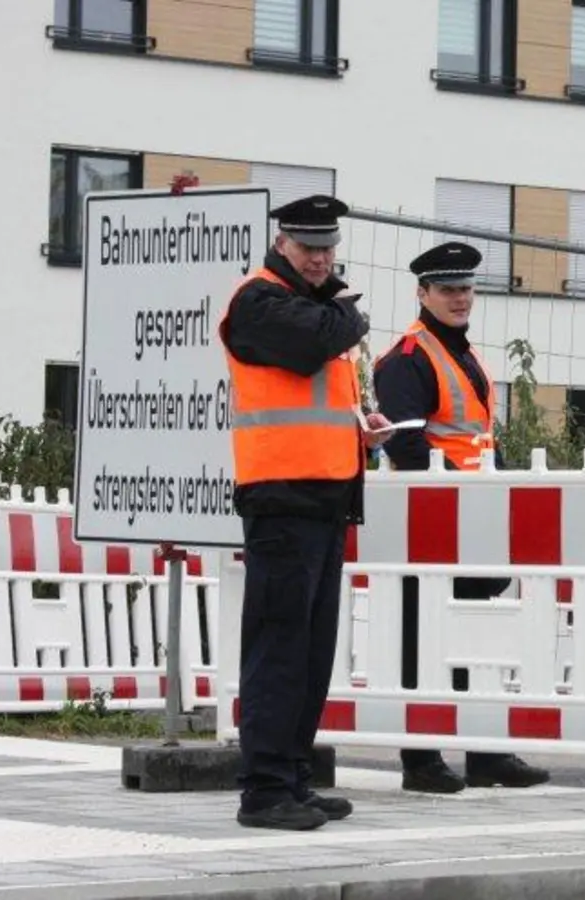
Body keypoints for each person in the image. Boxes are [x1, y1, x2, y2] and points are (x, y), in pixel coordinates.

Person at [219, 194, 393, 830]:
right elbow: (312, 343)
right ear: (282, 244)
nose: (321, 259)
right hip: (282, 495)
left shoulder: (316, 307)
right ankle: (263, 790)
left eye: (327, 249)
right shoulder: (257, 301)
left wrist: (360, 426)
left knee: (312, 651)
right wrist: (348, 315)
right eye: (309, 248)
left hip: (325, 496)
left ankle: (291, 777)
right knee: (280, 647)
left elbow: (317, 377)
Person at [372, 240, 551, 794]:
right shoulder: (406, 359)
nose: (460, 298)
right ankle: (421, 760)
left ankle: (485, 753)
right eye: (448, 289)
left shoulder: (464, 355)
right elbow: (405, 448)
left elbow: (477, 438)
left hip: (473, 515)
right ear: (422, 293)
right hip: (429, 519)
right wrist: (468, 490)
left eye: (467, 289)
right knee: (421, 639)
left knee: (478, 635)